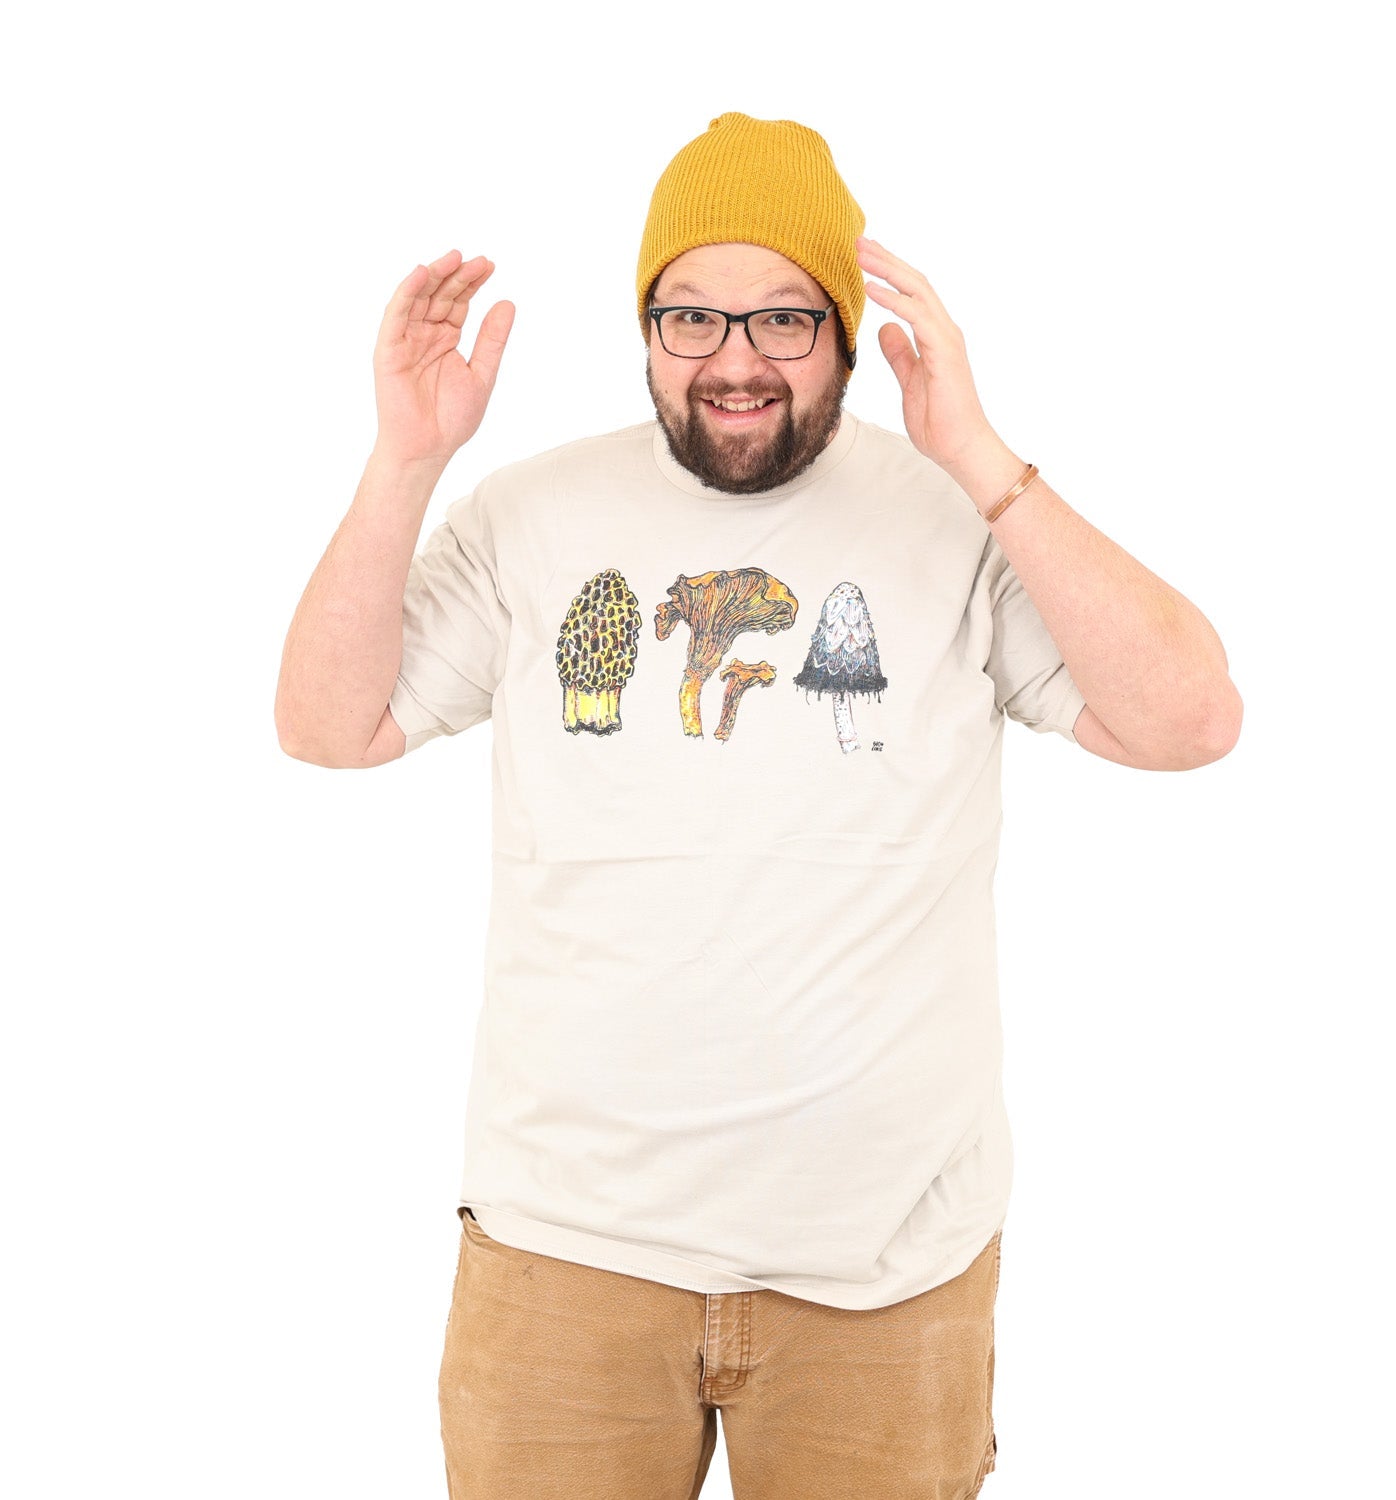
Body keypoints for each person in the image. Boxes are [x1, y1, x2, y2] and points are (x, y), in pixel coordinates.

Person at [275, 112, 1241, 1500]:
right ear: (647, 323)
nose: (734, 359)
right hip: (567, 1258)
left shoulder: (952, 518)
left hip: (884, 1273)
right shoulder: (531, 512)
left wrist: (980, 455)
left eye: (785, 319)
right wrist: (404, 461)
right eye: (693, 315)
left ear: (847, 331)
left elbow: (1189, 720)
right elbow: (327, 724)